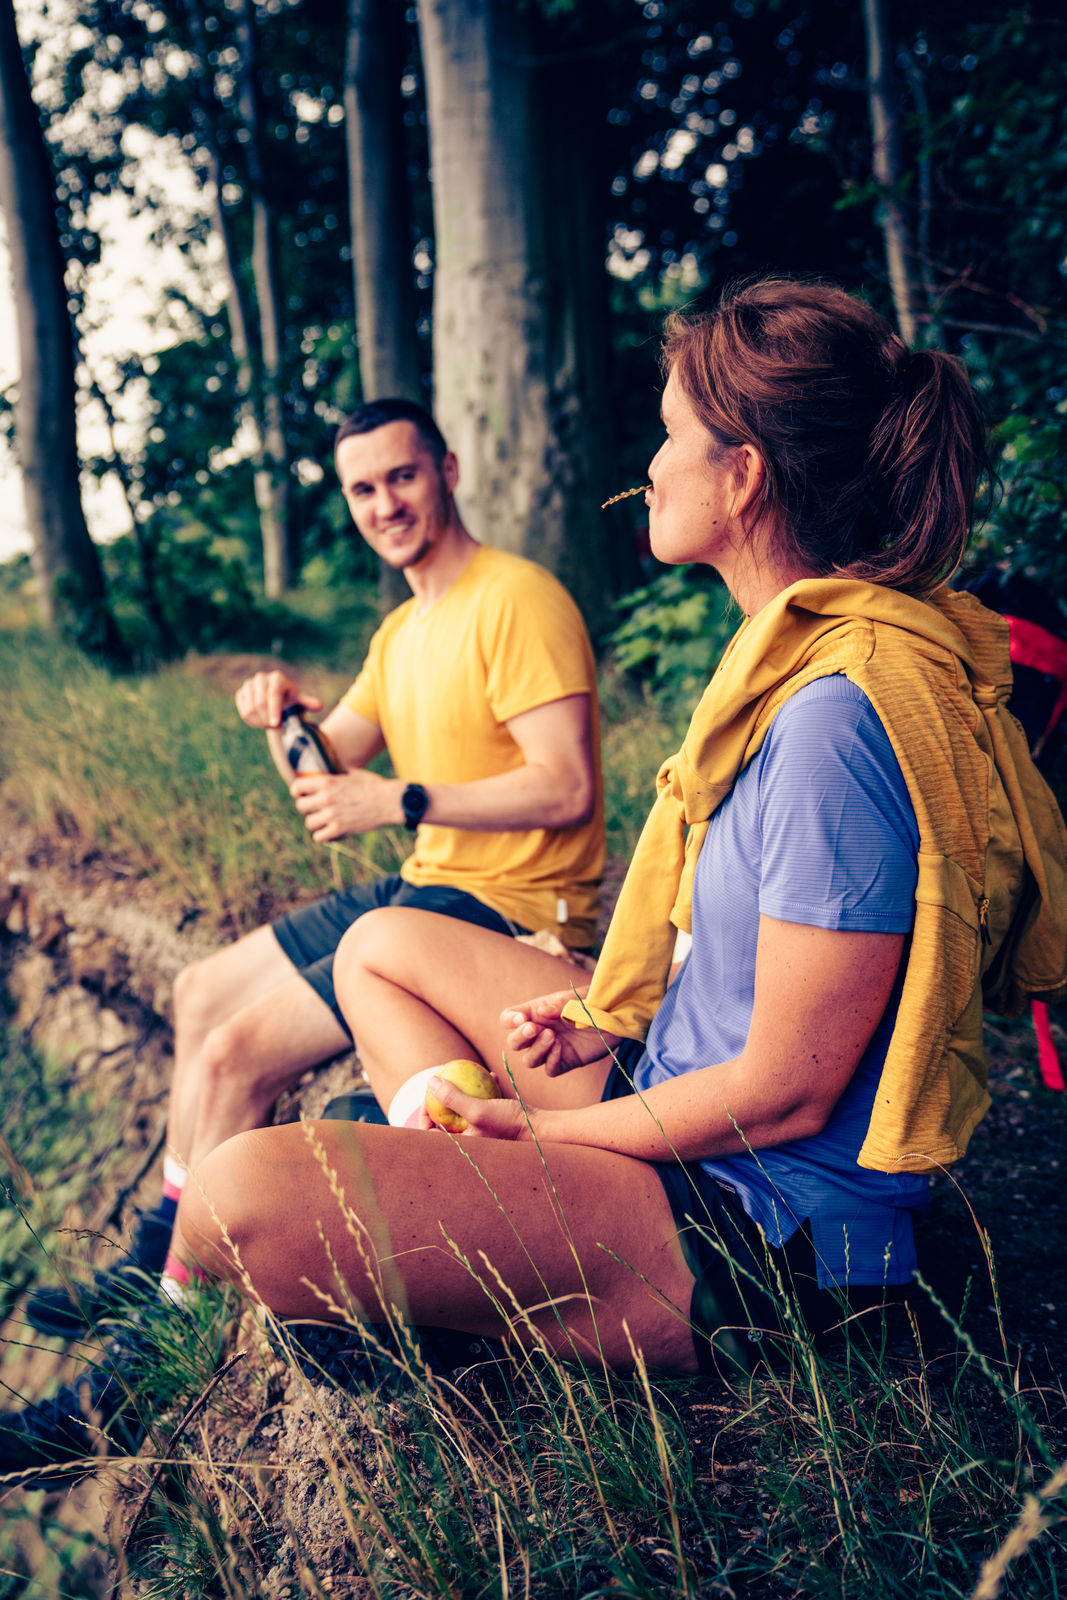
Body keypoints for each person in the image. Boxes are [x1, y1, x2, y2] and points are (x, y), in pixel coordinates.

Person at [4, 279, 1065, 1479]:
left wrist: (527, 1135)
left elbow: (784, 1095)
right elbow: (770, 975)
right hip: (687, 1092)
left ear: (745, 477)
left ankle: (140, 1387)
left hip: (760, 1227)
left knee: (245, 1190)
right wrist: (602, 1011)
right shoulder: (791, 665)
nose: (650, 465)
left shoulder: (832, 716)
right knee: (377, 948)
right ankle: (449, 1234)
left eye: (669, 437)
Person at [24, 396, 604, 1339]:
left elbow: (567, 787)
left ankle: (161, 1334)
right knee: (202, 992)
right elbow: (324, 769)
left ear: (447, 471)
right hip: (427, 881)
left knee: (232, 1055)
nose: (385, 505)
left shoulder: (515, 599)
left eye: (402, 477)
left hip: (500, 907)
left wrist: (401, 799)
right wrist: (282, 714)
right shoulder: (402, 633)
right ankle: (146, 1261)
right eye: (363, 489)